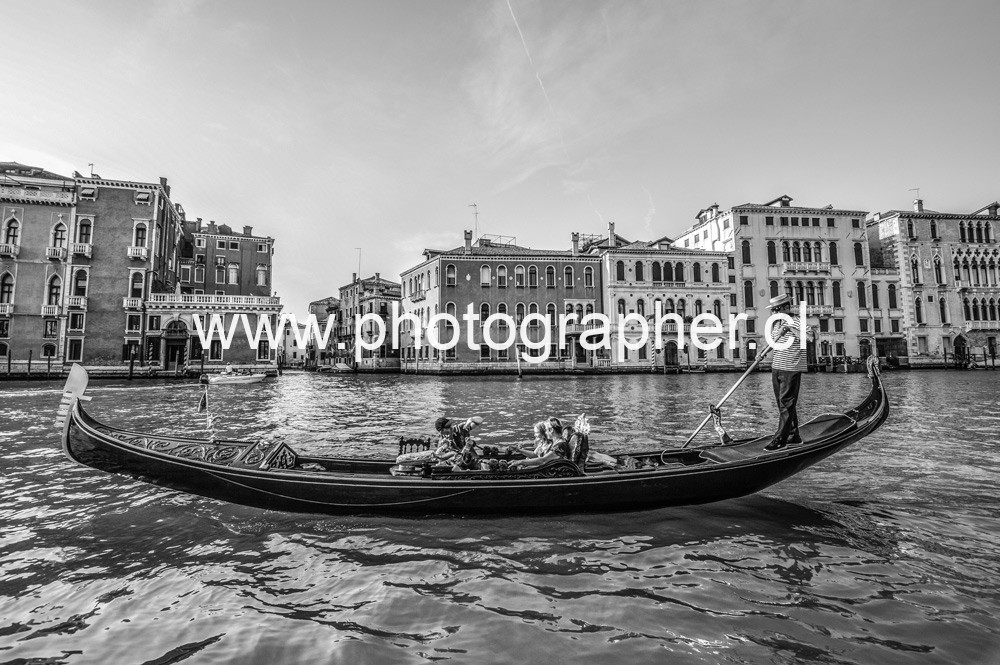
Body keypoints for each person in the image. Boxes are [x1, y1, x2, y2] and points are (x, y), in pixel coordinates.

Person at [765, 294, 816, 451]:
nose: (773, 313)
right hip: (777, 367)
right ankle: (794, 436)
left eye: (776, 310)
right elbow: (774, 342)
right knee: (782, 404)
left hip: (791, 367)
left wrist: (791, 328)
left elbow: (810, 338)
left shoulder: (797, 322)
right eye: (773, 310)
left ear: (786, 308)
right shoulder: (776, 324)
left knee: (786, 404)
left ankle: (780, 439)